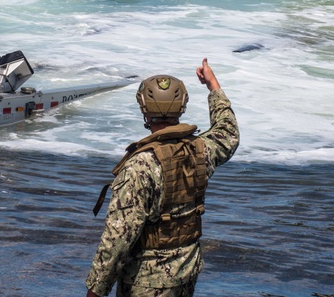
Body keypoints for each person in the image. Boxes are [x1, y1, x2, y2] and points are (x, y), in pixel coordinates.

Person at [85, 58, 239, 297]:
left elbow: (118, 238)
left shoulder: (139, 166)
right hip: (187, 272)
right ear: (182, 106)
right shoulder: (201, 150)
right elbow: (228, 132)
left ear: (144, 109)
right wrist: (213, 85)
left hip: (145, 283)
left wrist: (96, 289)